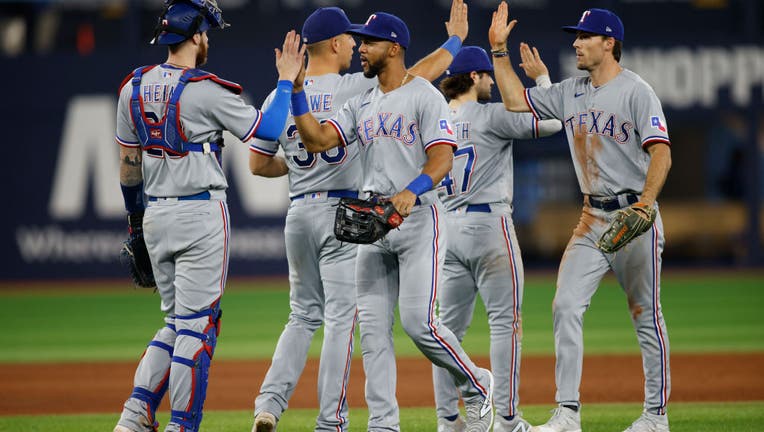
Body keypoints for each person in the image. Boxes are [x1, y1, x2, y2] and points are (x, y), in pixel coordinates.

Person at [247, 3, 470, 432]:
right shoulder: (356, 89)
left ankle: (269, 404)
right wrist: (456, 41)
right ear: (336, 43)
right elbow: (413, 76)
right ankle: (330, 420)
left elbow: (258, 165)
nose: (357, 46)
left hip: (298, 210)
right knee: (341, 322)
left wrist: (298, 165)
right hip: (348, 213)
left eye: (364, 40)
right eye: (352, 40)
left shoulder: (282, 92)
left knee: (301, 315)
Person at [112, 0, 304, 431]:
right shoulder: (205, 88)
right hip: (199, 213)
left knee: (176, 322)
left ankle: (133, 417)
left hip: (156, 214)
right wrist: (287, 82)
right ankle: (182, 425)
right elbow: (268, 130)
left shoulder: (132, 87)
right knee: (198, 329)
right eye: (206, 33)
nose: (208, 40)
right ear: (195, 34)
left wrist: (135, 222)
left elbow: (129, 165)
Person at [487, 3, 673, 432]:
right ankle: (567, 413)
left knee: (646, 314)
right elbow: (516, 101)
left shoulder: (636, 91)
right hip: (591, 218)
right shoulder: (571, 91)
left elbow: (660, 151)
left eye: (585, 36)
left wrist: (646, 202)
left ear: (609, 43)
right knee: (565, 306)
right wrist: (498, 51)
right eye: (576, 36)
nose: (576, 42)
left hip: (634, 216)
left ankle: (655, 417)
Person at [432, 45, 562, 432]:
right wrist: (541, 81)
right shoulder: (492, 115)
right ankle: (506, 421)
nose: (491, 81)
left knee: (445, 333)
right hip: (489, 227)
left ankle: (448, 421)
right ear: (474, 77)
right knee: (505, 324)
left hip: (446, 230)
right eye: (487, 75)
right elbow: (554, 121)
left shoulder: (435, 119)